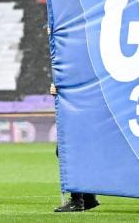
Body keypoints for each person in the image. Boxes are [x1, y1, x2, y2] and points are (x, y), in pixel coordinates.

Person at [49, 83, 100, 213]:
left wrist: (63, 91)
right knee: (69, 152)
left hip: (86, 112)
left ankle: (77, 200)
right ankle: (87, 196)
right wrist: (59, 92)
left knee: (70, 153)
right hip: (83, 112)